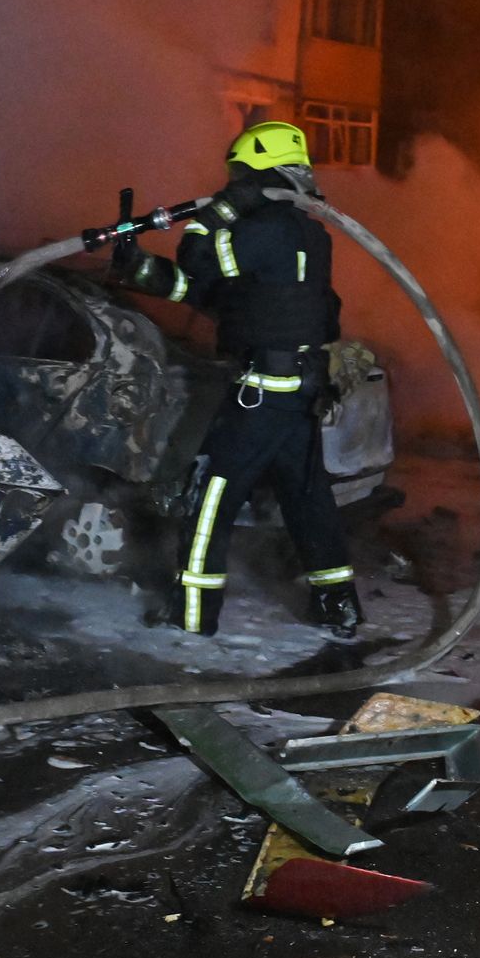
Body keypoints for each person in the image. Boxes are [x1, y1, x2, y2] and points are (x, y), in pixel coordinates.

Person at [110, 120, 362, 637]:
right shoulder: (305, 233)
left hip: (263, 396)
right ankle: (339, 603)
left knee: (209, 501)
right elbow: (210, 294)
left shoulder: (264, 229)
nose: (231, 183)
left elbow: (197, 258)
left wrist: (217, 212)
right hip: (300, 394)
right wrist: (137, 267)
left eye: (239, 175)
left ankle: (194, 614)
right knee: (309, 499)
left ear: (255, 174)